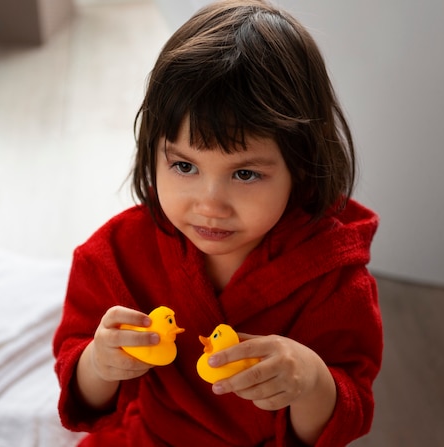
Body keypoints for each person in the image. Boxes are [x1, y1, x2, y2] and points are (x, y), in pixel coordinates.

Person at [53, 0, 382, 446]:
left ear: (301, 167)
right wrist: (99, 363)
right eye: (185, 167)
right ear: (153, 151)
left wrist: (310, 380)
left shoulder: (333, 277)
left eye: (245, 174)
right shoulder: (117, 253)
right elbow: (84, 394)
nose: (210, 204)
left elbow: (342, 418)